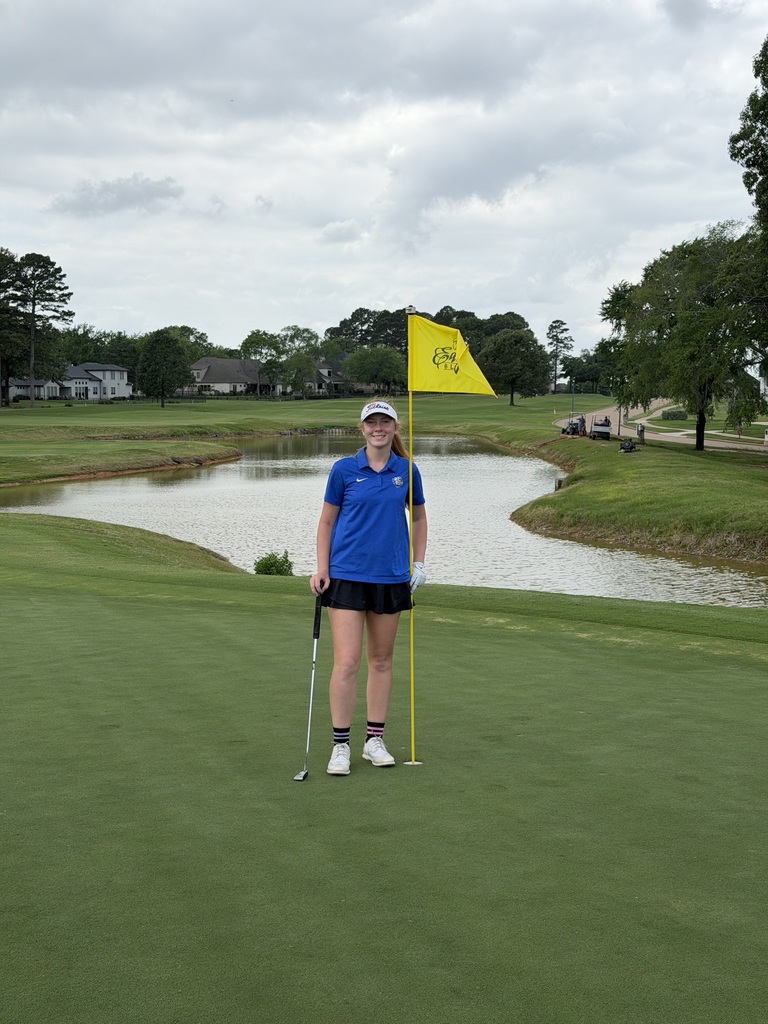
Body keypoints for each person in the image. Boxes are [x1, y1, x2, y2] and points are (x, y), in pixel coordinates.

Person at [309, 400, 428, 777]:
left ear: (395, 428)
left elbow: (420, 517)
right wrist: (322, 569)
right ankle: (340, 746)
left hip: (391, 576)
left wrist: (419, 562)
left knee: (381, 660)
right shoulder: (343, 470)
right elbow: (327, 522)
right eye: (371, 422)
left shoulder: (406, 470)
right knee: (347, 662)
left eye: (385, 422)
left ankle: (373, 740)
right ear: (361, 429)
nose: (378, 428)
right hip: (345, 575)